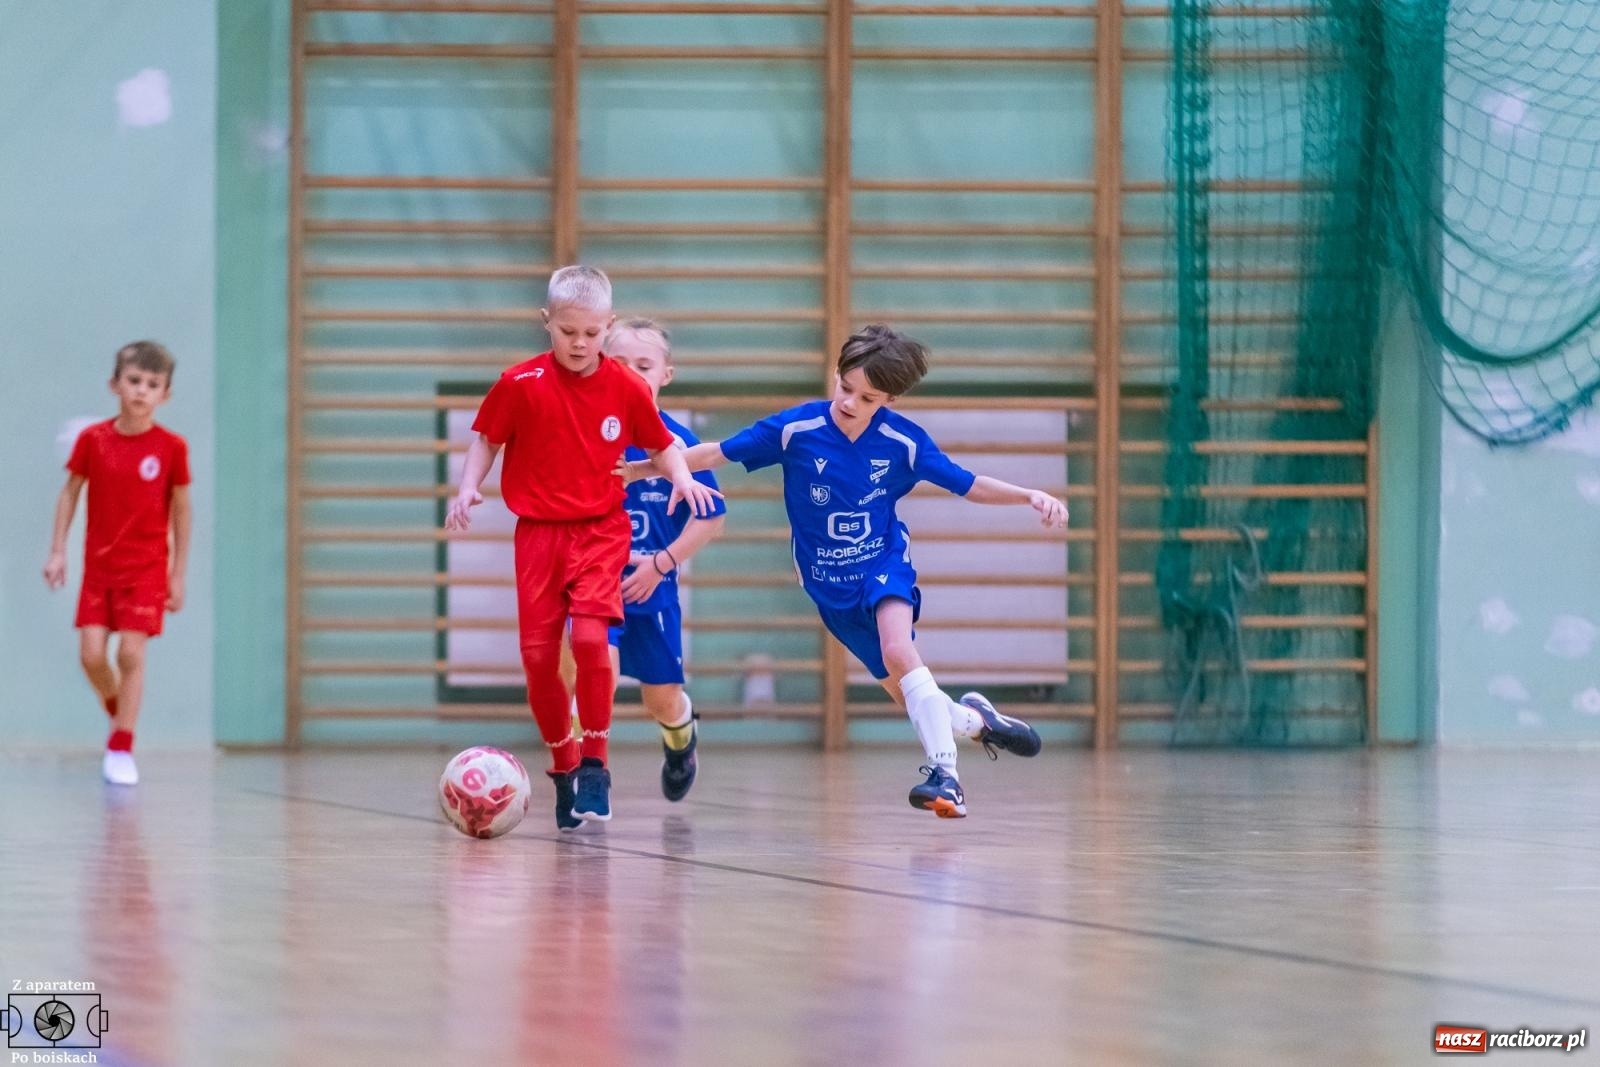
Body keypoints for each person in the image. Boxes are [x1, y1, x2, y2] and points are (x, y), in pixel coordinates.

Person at [624, 324, 1067, 817]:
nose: (850, 402)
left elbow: (968, 484)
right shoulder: (798, 429)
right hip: (828, 589)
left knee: (900, 648)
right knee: (911, 698)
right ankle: (976, 721)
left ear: (890, 400)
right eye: (845, 386)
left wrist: (1028, 495)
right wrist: (647, 469)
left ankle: (947, 777)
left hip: (882, 564)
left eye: (867, 397)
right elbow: (715, 453)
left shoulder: (903, 442)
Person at [446, 267, 720, 830]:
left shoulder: (622, 388)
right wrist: (469, 484)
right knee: (541, 660)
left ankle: (597, 762)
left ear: (606, 327)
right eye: (568, 331)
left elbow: (666, 445)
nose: (579, 343)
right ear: (547, 323)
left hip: (603, 536)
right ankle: (566, 767)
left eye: (591, 334)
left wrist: (683, 478)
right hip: (540, 538)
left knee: (599, 645)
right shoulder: (520, 383)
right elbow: (488, 438)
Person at [559, 318, 726, 802]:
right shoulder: (585, 434)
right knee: (597, 674)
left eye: (645, 365)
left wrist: (662, 564)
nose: (632, 373)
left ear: (666, 375)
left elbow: (711, 519)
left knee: (661, 700)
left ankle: (681, 739)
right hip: (595, 583)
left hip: (653, 587)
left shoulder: (679, 445)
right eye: (621, 363)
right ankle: (583, 771)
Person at [44, 341, 192, 786]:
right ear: (115, 385)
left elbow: (182, 510)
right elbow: (70, 493)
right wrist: (57, 551)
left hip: (146, 569)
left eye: (152, 384)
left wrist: (177, 574)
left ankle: (122, 745)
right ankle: (116, 707)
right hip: (99, 569)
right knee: (92, 656)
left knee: (130, 653)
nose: (141, 391)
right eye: (134, 381)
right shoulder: (95, 441)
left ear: (165, 394)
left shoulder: (171, 448)